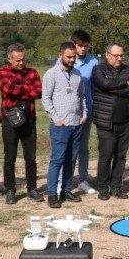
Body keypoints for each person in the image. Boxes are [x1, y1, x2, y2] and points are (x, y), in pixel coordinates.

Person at [91, 43, 129, 200]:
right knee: (106, 157)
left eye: (121, 55)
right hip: (106, 121)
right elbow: (105, 84)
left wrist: (117, 89)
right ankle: (103, 188)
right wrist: (125, 83)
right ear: (107, 55)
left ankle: (116, 187)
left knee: (121, 156)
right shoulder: (99, 70)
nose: (119, 58)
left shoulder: (128, 69)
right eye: (116, 55)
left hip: (126, 121)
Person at [43, 42, 88, 208]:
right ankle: (52, 194)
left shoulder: (77, 74)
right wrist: (56, 118)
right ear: (60, 54)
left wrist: (84, 114)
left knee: (71, 159)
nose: (72, 59)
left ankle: (66, 190)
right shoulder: (51, 74)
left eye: (74, 56)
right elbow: (46, 99)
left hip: (77, 123)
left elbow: (82, 96)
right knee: (57, 160)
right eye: (68, 57)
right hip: (60, 126)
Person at [0, 43, 42, 205]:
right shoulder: (3, 71)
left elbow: (38, 92)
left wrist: (19, 90)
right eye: (17, 60)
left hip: (29, 121)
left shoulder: (33, 72)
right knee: (10, 158)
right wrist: (28, 89)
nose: (21, 63)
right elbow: (7, 89)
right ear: (10, 59)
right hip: (9, 121)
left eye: (23, 59)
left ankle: (32, 188)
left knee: (31, 158)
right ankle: (10, 190)